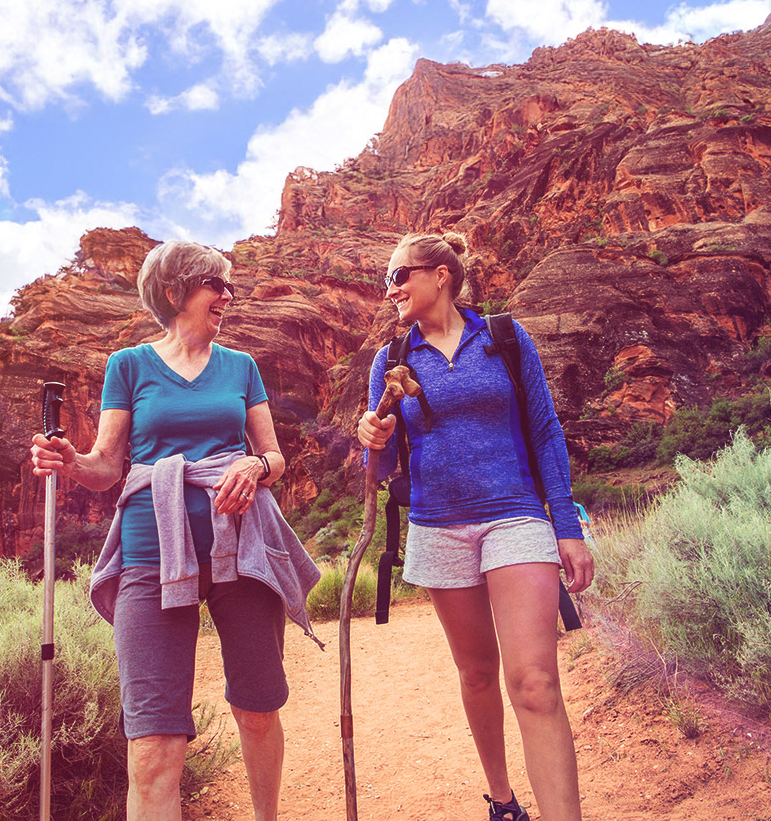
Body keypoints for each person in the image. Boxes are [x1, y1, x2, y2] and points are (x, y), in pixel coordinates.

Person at [31, 240, 321, 821]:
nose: (228, 296)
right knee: (152, 744)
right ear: (175, 291)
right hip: (149, 554)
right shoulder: (129, 365)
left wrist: (256, 465)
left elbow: (275, 455)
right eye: (218, 285)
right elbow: (107, 466)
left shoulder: (242, 367)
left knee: (258, 709)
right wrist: (70, 463)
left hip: (242, 551)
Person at [356, 231, 594, 821]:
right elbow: (382, 470)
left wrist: (565, 524)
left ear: (440, 274)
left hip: (515, 515)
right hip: (438, 526)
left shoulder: (507, 339)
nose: (390, 289)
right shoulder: (391, 361)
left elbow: (545, 432)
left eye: (398, 276)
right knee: (478, 674)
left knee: (534, 681)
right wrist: (372, 441)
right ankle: (503, 799)